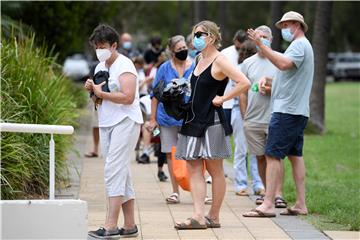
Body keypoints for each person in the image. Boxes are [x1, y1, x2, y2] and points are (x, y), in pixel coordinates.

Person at [174, 20, 251, 230]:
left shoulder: (220, 60)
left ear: (212, 37)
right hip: (193, 119)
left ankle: (214, 216)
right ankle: (199, 215)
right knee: (193, 166)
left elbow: (244, 82)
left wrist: (224, 98)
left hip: (213, 121)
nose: (196, 38)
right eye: (195, 34)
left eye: (200, 34)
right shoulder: (199, 58)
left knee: (215, 169)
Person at [243, 11, 313, 217]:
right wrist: (270, 81)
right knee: (295, 156)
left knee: (272, 155)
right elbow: (290, 77)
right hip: (296, 110)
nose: (283, 30)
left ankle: (268, 204)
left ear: (296, 24)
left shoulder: (300, 45)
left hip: (287, 112)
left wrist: (261, 44)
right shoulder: (300, 46)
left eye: (285, 26)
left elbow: (283, 64)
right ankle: (301, 204)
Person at [85, 24, 143, 238]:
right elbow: (99, 99)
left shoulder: (125, 65)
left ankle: (110, 226)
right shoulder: (100, 67)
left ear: (114, 45)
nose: (99, 50)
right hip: (107, 123)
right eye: (96, 47)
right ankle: (129, 225)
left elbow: (128, 97)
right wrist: (94, 91)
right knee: (121, 173)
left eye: (102, 46)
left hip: (125, 121)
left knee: (113, 171)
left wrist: (103, 93)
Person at [240, 26, 287, 207]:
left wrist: (271, 89)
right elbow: (243, 92)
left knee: (275, 157)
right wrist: (245, 117)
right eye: (258, 37)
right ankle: (268, 193)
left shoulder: (280, 60)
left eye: (264, 37)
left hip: (275, 117)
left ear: (272, 39)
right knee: (260, 157)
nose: (261, 40)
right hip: (252, 120)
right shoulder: (248, 63)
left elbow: (286, 88)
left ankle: (278, 195)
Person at [147, 35, 195, 204]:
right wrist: (152, 119)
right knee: (170, 154)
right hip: (167, 118)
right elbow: (155, 95)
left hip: (189, 117)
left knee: (193, 154)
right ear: (172, 52)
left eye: (184, 48)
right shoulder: (164, 68)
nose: (183, 51)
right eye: (179, 49)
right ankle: (175, 192)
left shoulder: (195, 66)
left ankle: (196, 189)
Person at [221, 30, 265, 197]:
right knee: (241, 149)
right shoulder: (239, 68)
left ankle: (258, 183)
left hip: (256, 113)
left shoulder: (258, 67)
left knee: (256, 151)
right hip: (240, 112)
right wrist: (245, 116)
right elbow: (241, 93)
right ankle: (240, 183)